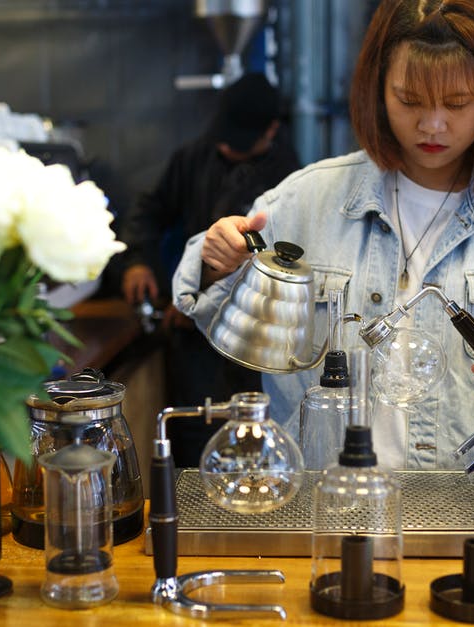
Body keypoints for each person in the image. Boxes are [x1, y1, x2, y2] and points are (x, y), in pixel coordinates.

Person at [170, 0, 474, 486]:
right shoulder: (310, 200)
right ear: (377, 89)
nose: (432, 124)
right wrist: (219, 263)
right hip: (325, 511)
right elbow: (209, 297)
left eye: (456, 104)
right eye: (409, 100)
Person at [117, 72, 300, 466]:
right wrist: (137, 261)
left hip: (250, 349)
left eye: (239, 140)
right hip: (191, 349)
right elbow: (150, 211)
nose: (226, 146)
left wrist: (211, 301)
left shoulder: (291, 181)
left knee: (249, 451)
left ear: (271, 129)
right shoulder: (194, 156)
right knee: (194, 445)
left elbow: (281, 270)